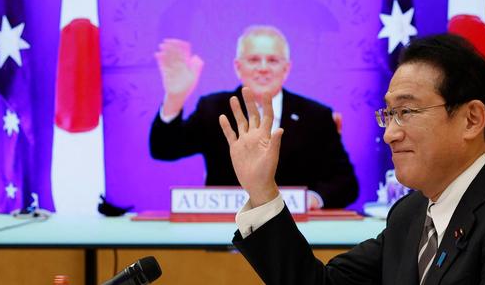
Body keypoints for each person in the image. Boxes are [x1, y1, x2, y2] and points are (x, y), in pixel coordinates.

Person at [220, 34, 485, 284]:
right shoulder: (410, 215)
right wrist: (263, 191)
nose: (390, 133)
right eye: (388, 115)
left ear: (471, 119)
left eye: (406, 111)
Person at [149, 25, 358, 209]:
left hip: (292, 234)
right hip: (226, 234)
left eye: (273, 60)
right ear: (238, 67)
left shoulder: (315, 116)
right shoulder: (214, 108)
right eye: (254, 60)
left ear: (286, 69)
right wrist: (175, 98)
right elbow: (164, 148)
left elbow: (346, 183)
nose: (263, 68)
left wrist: (312, 199)